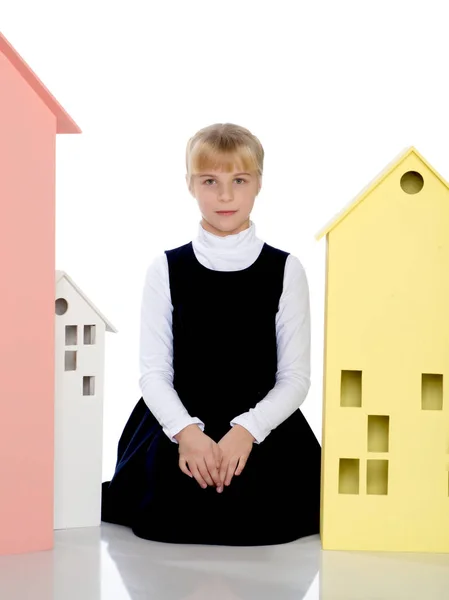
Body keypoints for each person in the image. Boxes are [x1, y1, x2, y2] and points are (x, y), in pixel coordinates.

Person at [101, 123, 321, 546]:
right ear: (190, 185)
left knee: (260, 511)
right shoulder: (165, 268)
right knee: (173, 510)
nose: (225, 195)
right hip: (179, 420)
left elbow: (295, 377)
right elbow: (153, 373)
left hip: (262, 423)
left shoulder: (286, 269)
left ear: (258, 183)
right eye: (210, 181)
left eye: (239, 181)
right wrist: (187, 433)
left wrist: (247, 431)